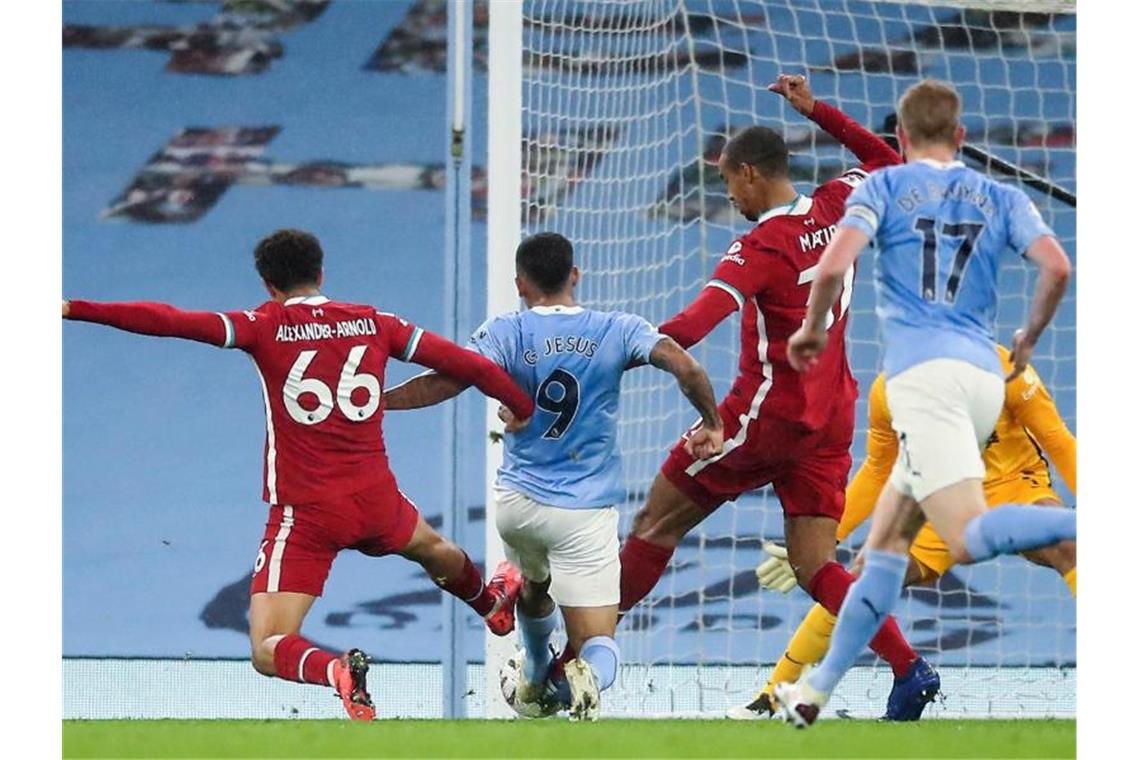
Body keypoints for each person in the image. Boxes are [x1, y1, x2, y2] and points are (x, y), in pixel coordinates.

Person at [63, 228, 536, 721]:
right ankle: (491, 607)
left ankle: (336, 672)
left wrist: (75, 307)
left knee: (268, 646)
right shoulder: (375, 323)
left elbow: (169, 321)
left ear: (268, 285)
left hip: (307, 512)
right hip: (376, 499)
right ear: (321, 272)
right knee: (432, 548)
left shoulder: (262, 325)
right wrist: (521, 406)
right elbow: (471, 366)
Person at [602, 74, 937, 720]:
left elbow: (695, 323)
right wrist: (820, 112)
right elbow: (887, 162)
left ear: (750, 174)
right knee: (816, 564)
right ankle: (909, 667)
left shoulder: (759, 247)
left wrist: (622, 344)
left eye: (729, 183)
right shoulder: (842, 201)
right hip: (830, 415)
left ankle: (580, 654)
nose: (731, 196)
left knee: (656, 522)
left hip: (761, 418)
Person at [780, 79, 1076, 727]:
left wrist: (809, 329)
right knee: (880, 552)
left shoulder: (884, 186)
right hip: (983, 375)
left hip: (924, 378)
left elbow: (831, 269)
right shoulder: (1000, 194)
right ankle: (809, 691)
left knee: (967, 537)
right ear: (963, 136)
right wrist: (1030, 334)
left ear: (902, 140)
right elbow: (1057, 267)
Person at [383, 232, 724, 721]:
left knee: (533, 586)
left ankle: (536, 675)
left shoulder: (505, 331)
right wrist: (711, 422)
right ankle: (582, 677)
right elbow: (685, 366)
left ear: (521, 284)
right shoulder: (617, 328)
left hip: (518, 506)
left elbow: (447, 380)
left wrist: (380, 401)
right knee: (598, 642)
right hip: (584, 512)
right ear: (575, 276)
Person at [732, 343, 1076, 719]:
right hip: (937, 499)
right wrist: (832, 534)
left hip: (1015, 486)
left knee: (1071, 546)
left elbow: (1057, 440)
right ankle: (774, 695)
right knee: (860, 584)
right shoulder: (890, 390)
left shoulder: (1004, 369)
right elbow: (878, 470)